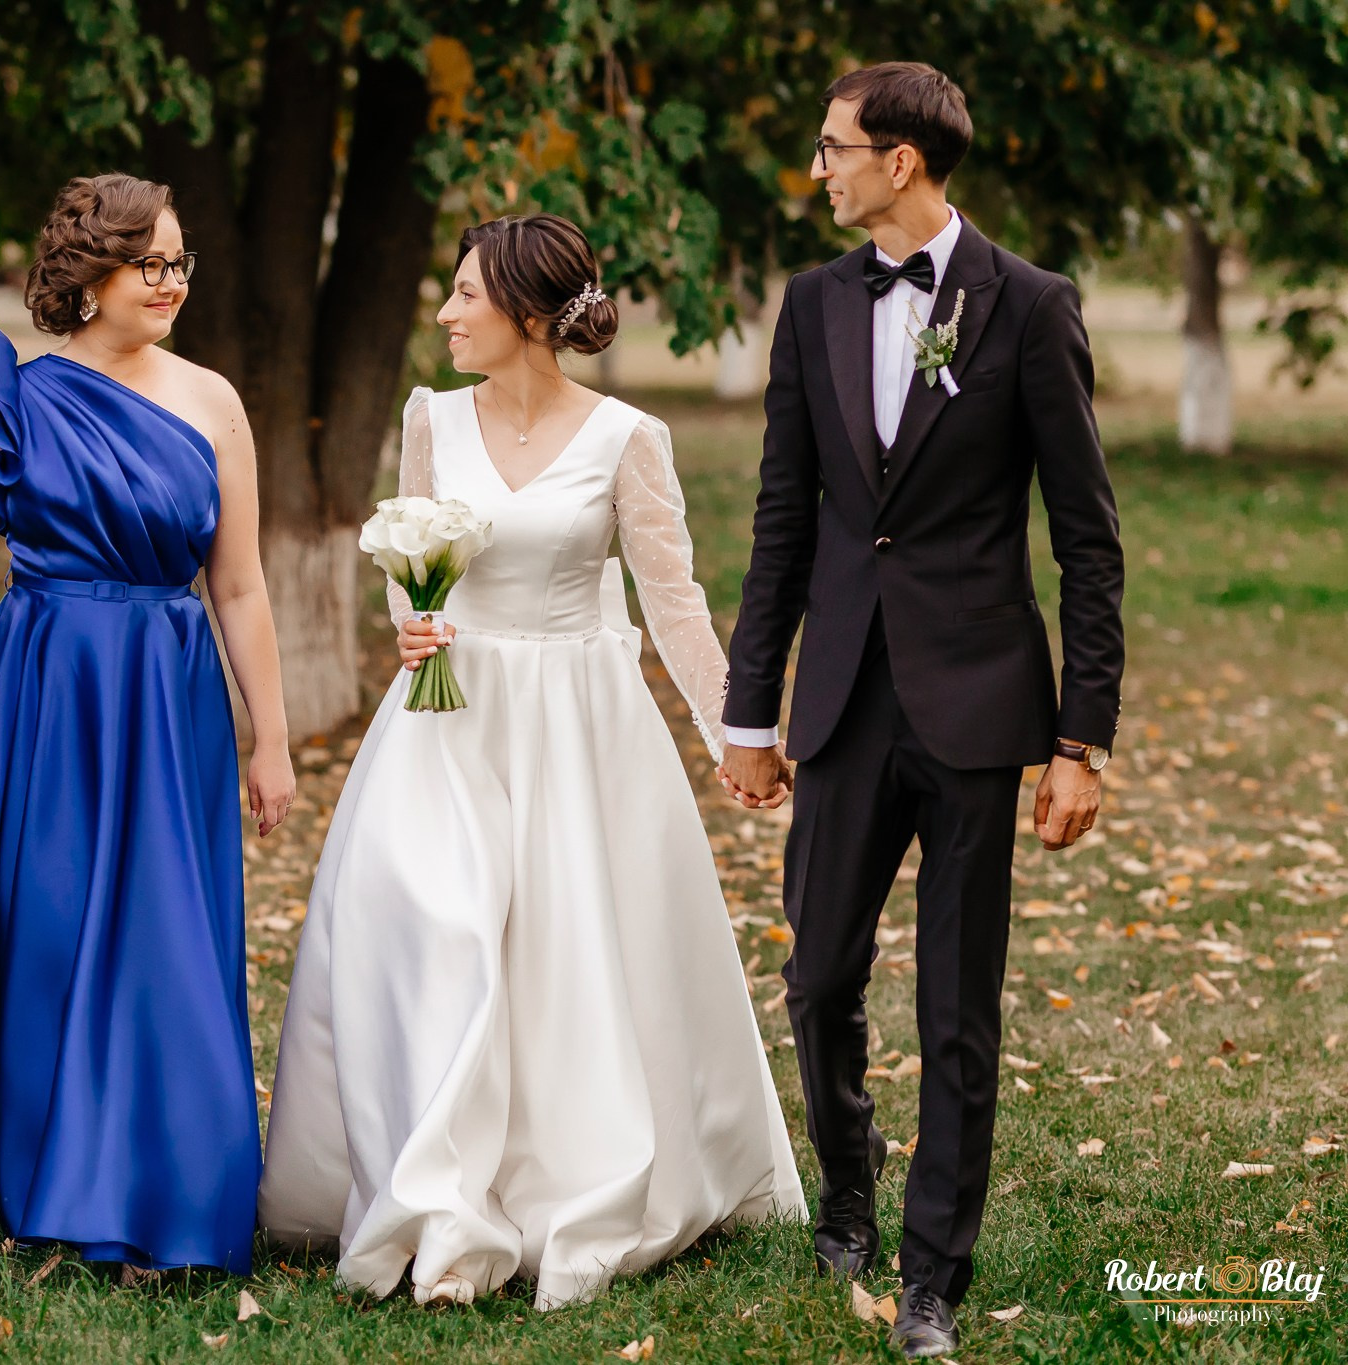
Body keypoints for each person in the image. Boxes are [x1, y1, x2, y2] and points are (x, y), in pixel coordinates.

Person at [258, 213, 806, 1311]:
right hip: (442, 720)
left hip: (576, 729)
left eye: (463, 295)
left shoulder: (624, 439)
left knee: (565, 958)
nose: (446, 313)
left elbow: (674, 604)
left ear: (521, 311)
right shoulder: (429, 419)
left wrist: (734, 737)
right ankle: (437, 1202)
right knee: (435, 931)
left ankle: (561, 1184)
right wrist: (408, 623)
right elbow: (414, 566)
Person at [718, 64, 1125, 1358]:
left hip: (981, 704)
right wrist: (748, 707)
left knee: (959, 1006)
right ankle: (848, 1185)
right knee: (818, 970)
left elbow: (1089, 538)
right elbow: (786, 513)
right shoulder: (814, 304)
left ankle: (933, 1273)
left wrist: (1082, 735)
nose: (820, 168)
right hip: (842, 698)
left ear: (902, 161)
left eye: (836, 148)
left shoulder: (1030, 306)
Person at [0, 173, 296, 1276]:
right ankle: (25, 1168)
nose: (170, 284)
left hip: (164, 690)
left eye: (178, 263)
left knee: (160, 935)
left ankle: (159, 1180)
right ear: (87, 274)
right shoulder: (8, 397)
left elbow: (239, 588)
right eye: (148, 264)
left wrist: (273, 739)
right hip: (40, 686)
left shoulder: (211, 402)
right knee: (41, 924)